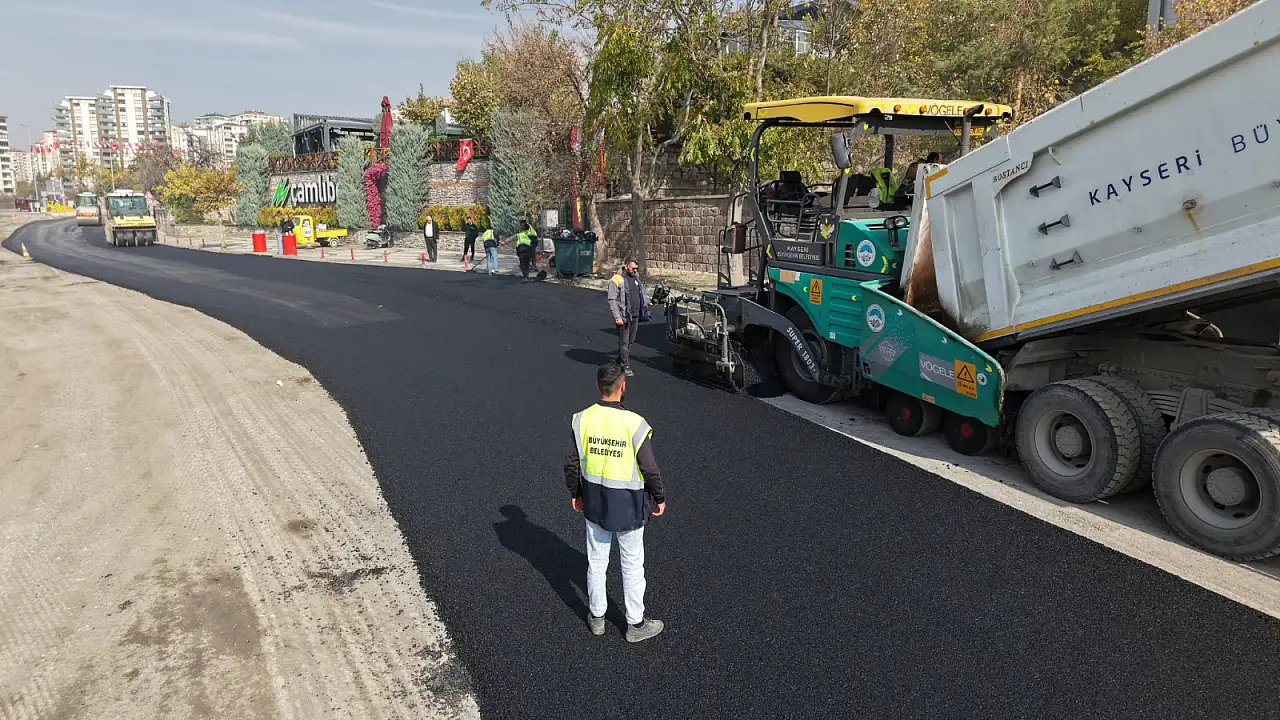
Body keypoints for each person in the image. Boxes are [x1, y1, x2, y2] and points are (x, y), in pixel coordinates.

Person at [564, 363, 666, 643]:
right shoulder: (635, 423)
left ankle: (597, 618)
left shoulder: (581, 419)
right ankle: (635, 624)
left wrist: (576, 493)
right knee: (632, 564)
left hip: (595, 503)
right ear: (623, 387)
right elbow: (649, 467)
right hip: (630, 507)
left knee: (596, 561)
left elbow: (571, 463)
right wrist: (659, 497)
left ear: (598, 386)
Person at [607, 258, 651, 377]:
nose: (635, 270)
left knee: (630, 341)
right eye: (633, 268)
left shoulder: (636, 278)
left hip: (635, 315)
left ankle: (619, 360)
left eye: (636, 268)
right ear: (626, 266)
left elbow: (640, 293)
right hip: (624, 316)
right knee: (624, 342)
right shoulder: (616, 279)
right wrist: (617, 317)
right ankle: (625, 365)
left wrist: (646, 304)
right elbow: (612, 300)